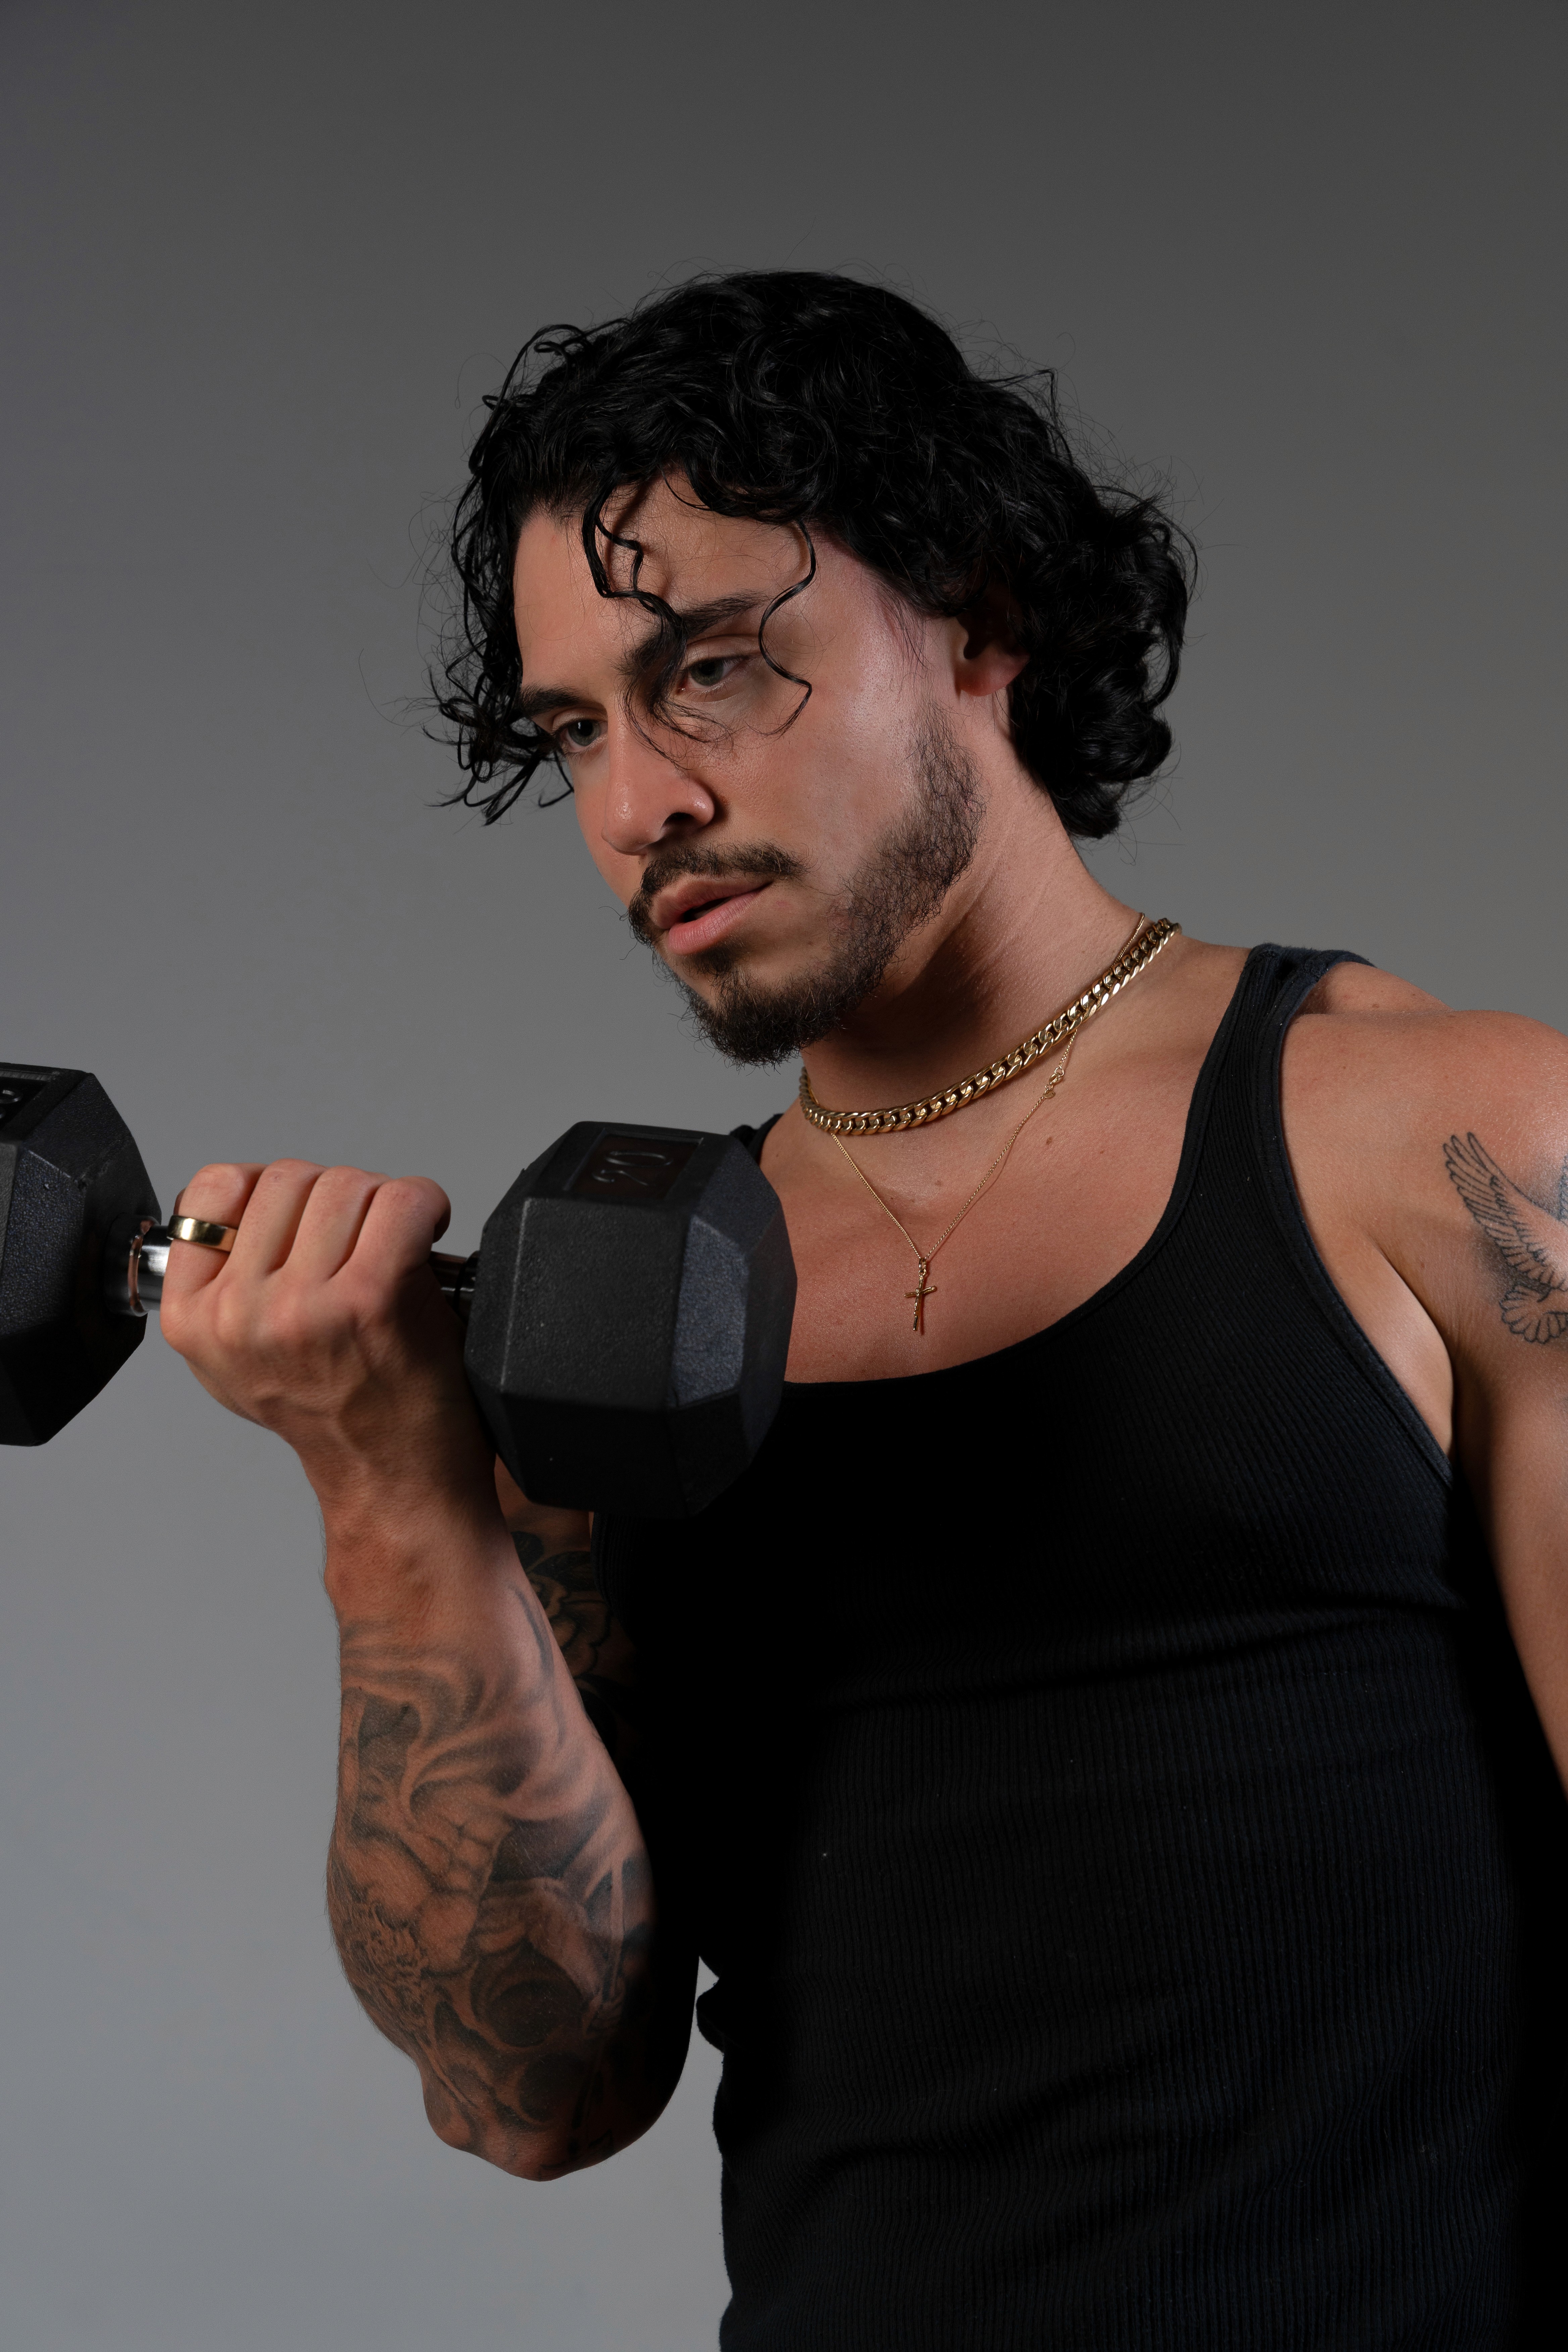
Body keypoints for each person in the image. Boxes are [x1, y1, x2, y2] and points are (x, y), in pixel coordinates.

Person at [160, 273, 1568, 2347]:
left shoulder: (1448, 1146)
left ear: (977, 621)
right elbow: (532, 2090)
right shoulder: (620, 1310)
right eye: (577, 731)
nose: (636, 806)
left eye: (714, 671)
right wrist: (387, 1490)